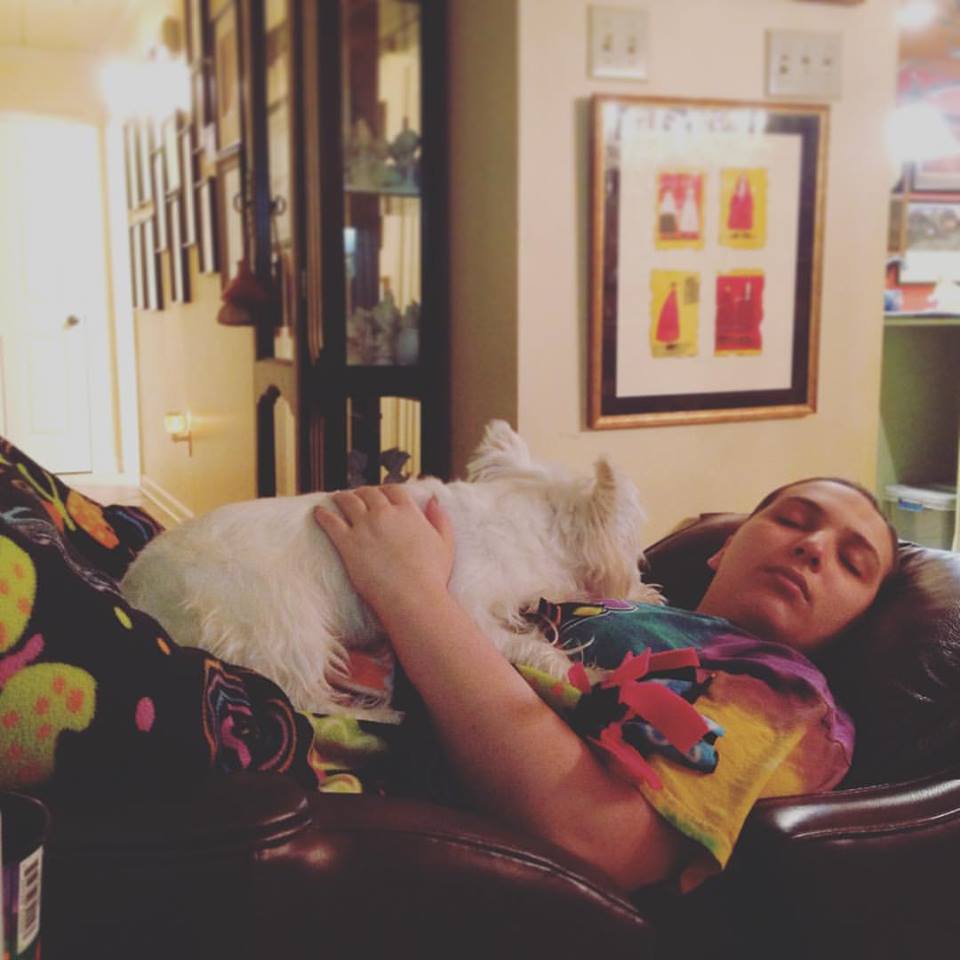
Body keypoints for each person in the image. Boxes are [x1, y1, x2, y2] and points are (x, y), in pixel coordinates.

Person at [312, 476, 898, 892]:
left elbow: (594, 837)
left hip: (371, 832)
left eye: (853, 562)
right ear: (723, 548)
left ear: (856, 621)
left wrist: (408, 589)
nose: (813, 547)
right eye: (793, 520)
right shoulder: (621, 604)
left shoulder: (789, 696)